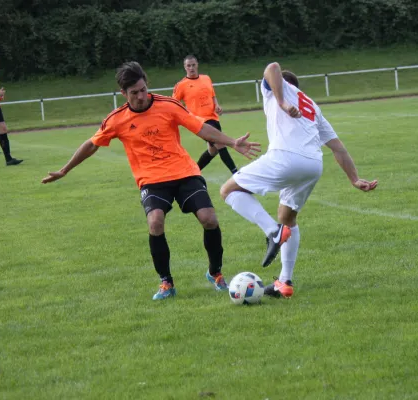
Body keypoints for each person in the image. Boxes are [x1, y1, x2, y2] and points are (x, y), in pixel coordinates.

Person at [41, 61, 260, 301]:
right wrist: (65, 170)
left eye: (143, 89)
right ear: (123, 94)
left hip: (184, 172)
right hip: (152, 180)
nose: (141, 96)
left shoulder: (168, 105)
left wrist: (231, 142)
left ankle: (215, 273)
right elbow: (92, 144)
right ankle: (166, 282)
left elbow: (200, 129)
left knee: (209, 219)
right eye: (134, 93)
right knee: (155, 222)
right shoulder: (116, 119)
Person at [220, 62, 378, 299]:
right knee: (288, 218)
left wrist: (282, 102)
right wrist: (354, 179)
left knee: (229, 190)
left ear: (282, 85)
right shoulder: (312, 106)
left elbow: (272, 67)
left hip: (286, 157)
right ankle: (285, 281)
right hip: (313, 165)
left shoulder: (276, 91)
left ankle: (272, 231)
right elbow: (338, 148)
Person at [173, 55, 238, 174]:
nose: (191, 68)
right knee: (220, 143)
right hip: (200, 123)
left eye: (193, 65)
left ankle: (193, 172)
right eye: (188, 65)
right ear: (185, 67)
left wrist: (217, 105)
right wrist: (185, 115)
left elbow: (212, 95)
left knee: (213, 151)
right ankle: (236, 173)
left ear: (197, 65)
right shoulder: (181, 85)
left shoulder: (206, 78)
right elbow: (174, 104)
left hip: (213, 118)